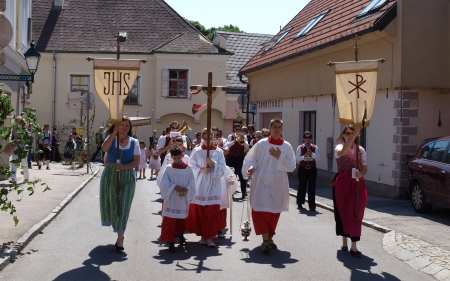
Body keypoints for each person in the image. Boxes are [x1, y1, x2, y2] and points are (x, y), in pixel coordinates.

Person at [242, 118, 296, 253]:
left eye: (279, 127)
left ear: (282, 129)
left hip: (278, 184)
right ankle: (265, 240)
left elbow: (292, 166)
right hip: (261, 182)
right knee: (261, 211)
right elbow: (251, 159)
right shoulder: (261, 144)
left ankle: (269, 237)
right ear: (270, 128)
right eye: (275, 127)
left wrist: (280, 156)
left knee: (273, 212)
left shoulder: (287, 147)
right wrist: (251, 168)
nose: (277, 129)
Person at [100, 116, 140, 252]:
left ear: (130, 128)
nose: (124, 127)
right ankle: (118, 229)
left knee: (123, 205)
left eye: (126, 126)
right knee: (112, 203)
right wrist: (113, 134)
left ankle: (120, 237)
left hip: (127, 175)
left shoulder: (134, 142)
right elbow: (104, 148)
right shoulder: (111, 138)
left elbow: (136, 162)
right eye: (121, 125)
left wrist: (124, 167)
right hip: (111, 174)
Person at [186, 128, 226, 248]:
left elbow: (223, 168)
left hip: (214, 184)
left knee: (212, 211)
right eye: (205, 137)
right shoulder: (197, 151)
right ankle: (204, 236)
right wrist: (202, 170)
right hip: (201, 184)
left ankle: (210, 236)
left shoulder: (219, 152)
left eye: (210, 137)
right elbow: (190, 167)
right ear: (202, 137)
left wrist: (213, 163)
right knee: (202, 211)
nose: (208, 140)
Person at [332, 126, 367, 256]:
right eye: (347, 133)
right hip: (342, 183)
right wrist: (352, 138)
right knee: (343, 211)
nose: (350, 135)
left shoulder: (360, 150)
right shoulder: (339, 147)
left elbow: (365, 169)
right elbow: (341, 153)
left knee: (356, 212)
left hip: (357, 183)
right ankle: (344, 241)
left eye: (352, 133)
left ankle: (354, 245)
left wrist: (361, 174)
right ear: (343, 135)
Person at [159, 146, 196, 253]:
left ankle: (180, 235)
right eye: (174, 158)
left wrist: (187, 188)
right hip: (172, 197)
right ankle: (170, 241)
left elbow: (192, 182)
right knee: (170, 219)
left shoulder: (188, 168)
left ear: (182, 156)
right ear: (171, 157)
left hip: (183, 196)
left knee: (181, 218)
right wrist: (174, 187)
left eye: (179, 158)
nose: (177, 160)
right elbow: (164, 183)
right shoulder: (169, 168)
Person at [296, 131, 320, 211]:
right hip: (303, 168)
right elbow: (297, 158)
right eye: (306, 138)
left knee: (312, 187)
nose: (308, 139)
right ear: (303, 139)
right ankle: (300, 203)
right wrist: (304, 156)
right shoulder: (300, 147)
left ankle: (312, 205)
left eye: (309, 137)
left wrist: (312, 153)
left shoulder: (314, 147)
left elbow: (318, 158)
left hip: (312, 169)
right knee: (302, 186)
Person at [226, 124, 249, 198]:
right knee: (232, 175)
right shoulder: (230, 136)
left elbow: (247, 147)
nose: (238, 131)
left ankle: (243, 192)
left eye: (240, 130)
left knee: (242, 175)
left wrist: (243, 140)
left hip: (240, 158)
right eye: (237, 130)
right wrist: (234, 141)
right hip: (232, 158)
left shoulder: (244, 136)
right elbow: (227, 146)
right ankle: (231, 192)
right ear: (234, 130)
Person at [218, 166, 237, 238]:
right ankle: (212, 231)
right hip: (212, 193)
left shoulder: (226, 168)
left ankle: (219, 230)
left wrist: (231, 182)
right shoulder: (209, 167)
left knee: (221, 213)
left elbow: (231, 177)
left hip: (222, 193)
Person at [10, 116, 29, 183]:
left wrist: (19, 139)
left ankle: (26, 177)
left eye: (18, 120)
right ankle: (13, 178)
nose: (17, 122)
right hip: (16, 147)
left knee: (24, 162)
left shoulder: (24, 129)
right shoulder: (14, 128)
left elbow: (26, 139)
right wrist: (12, 142)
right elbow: (12, 137)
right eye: (16, 120)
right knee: (14, 162)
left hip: (23, 148)